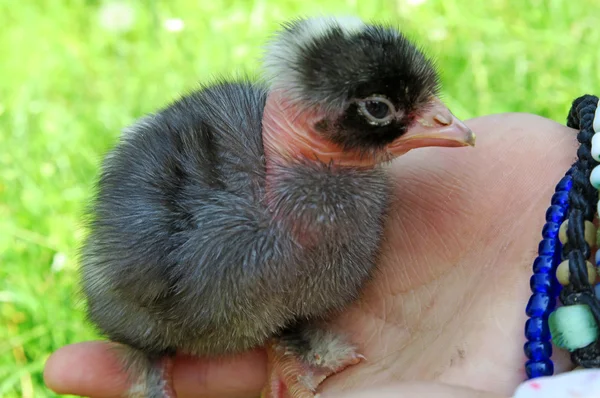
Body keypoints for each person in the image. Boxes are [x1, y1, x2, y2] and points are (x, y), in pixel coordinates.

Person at [43, 112, 586, 397]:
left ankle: (285, 338)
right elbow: (126, 258)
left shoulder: (360, 207)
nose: (447, 120)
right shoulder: (200, 217)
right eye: (382, 110)